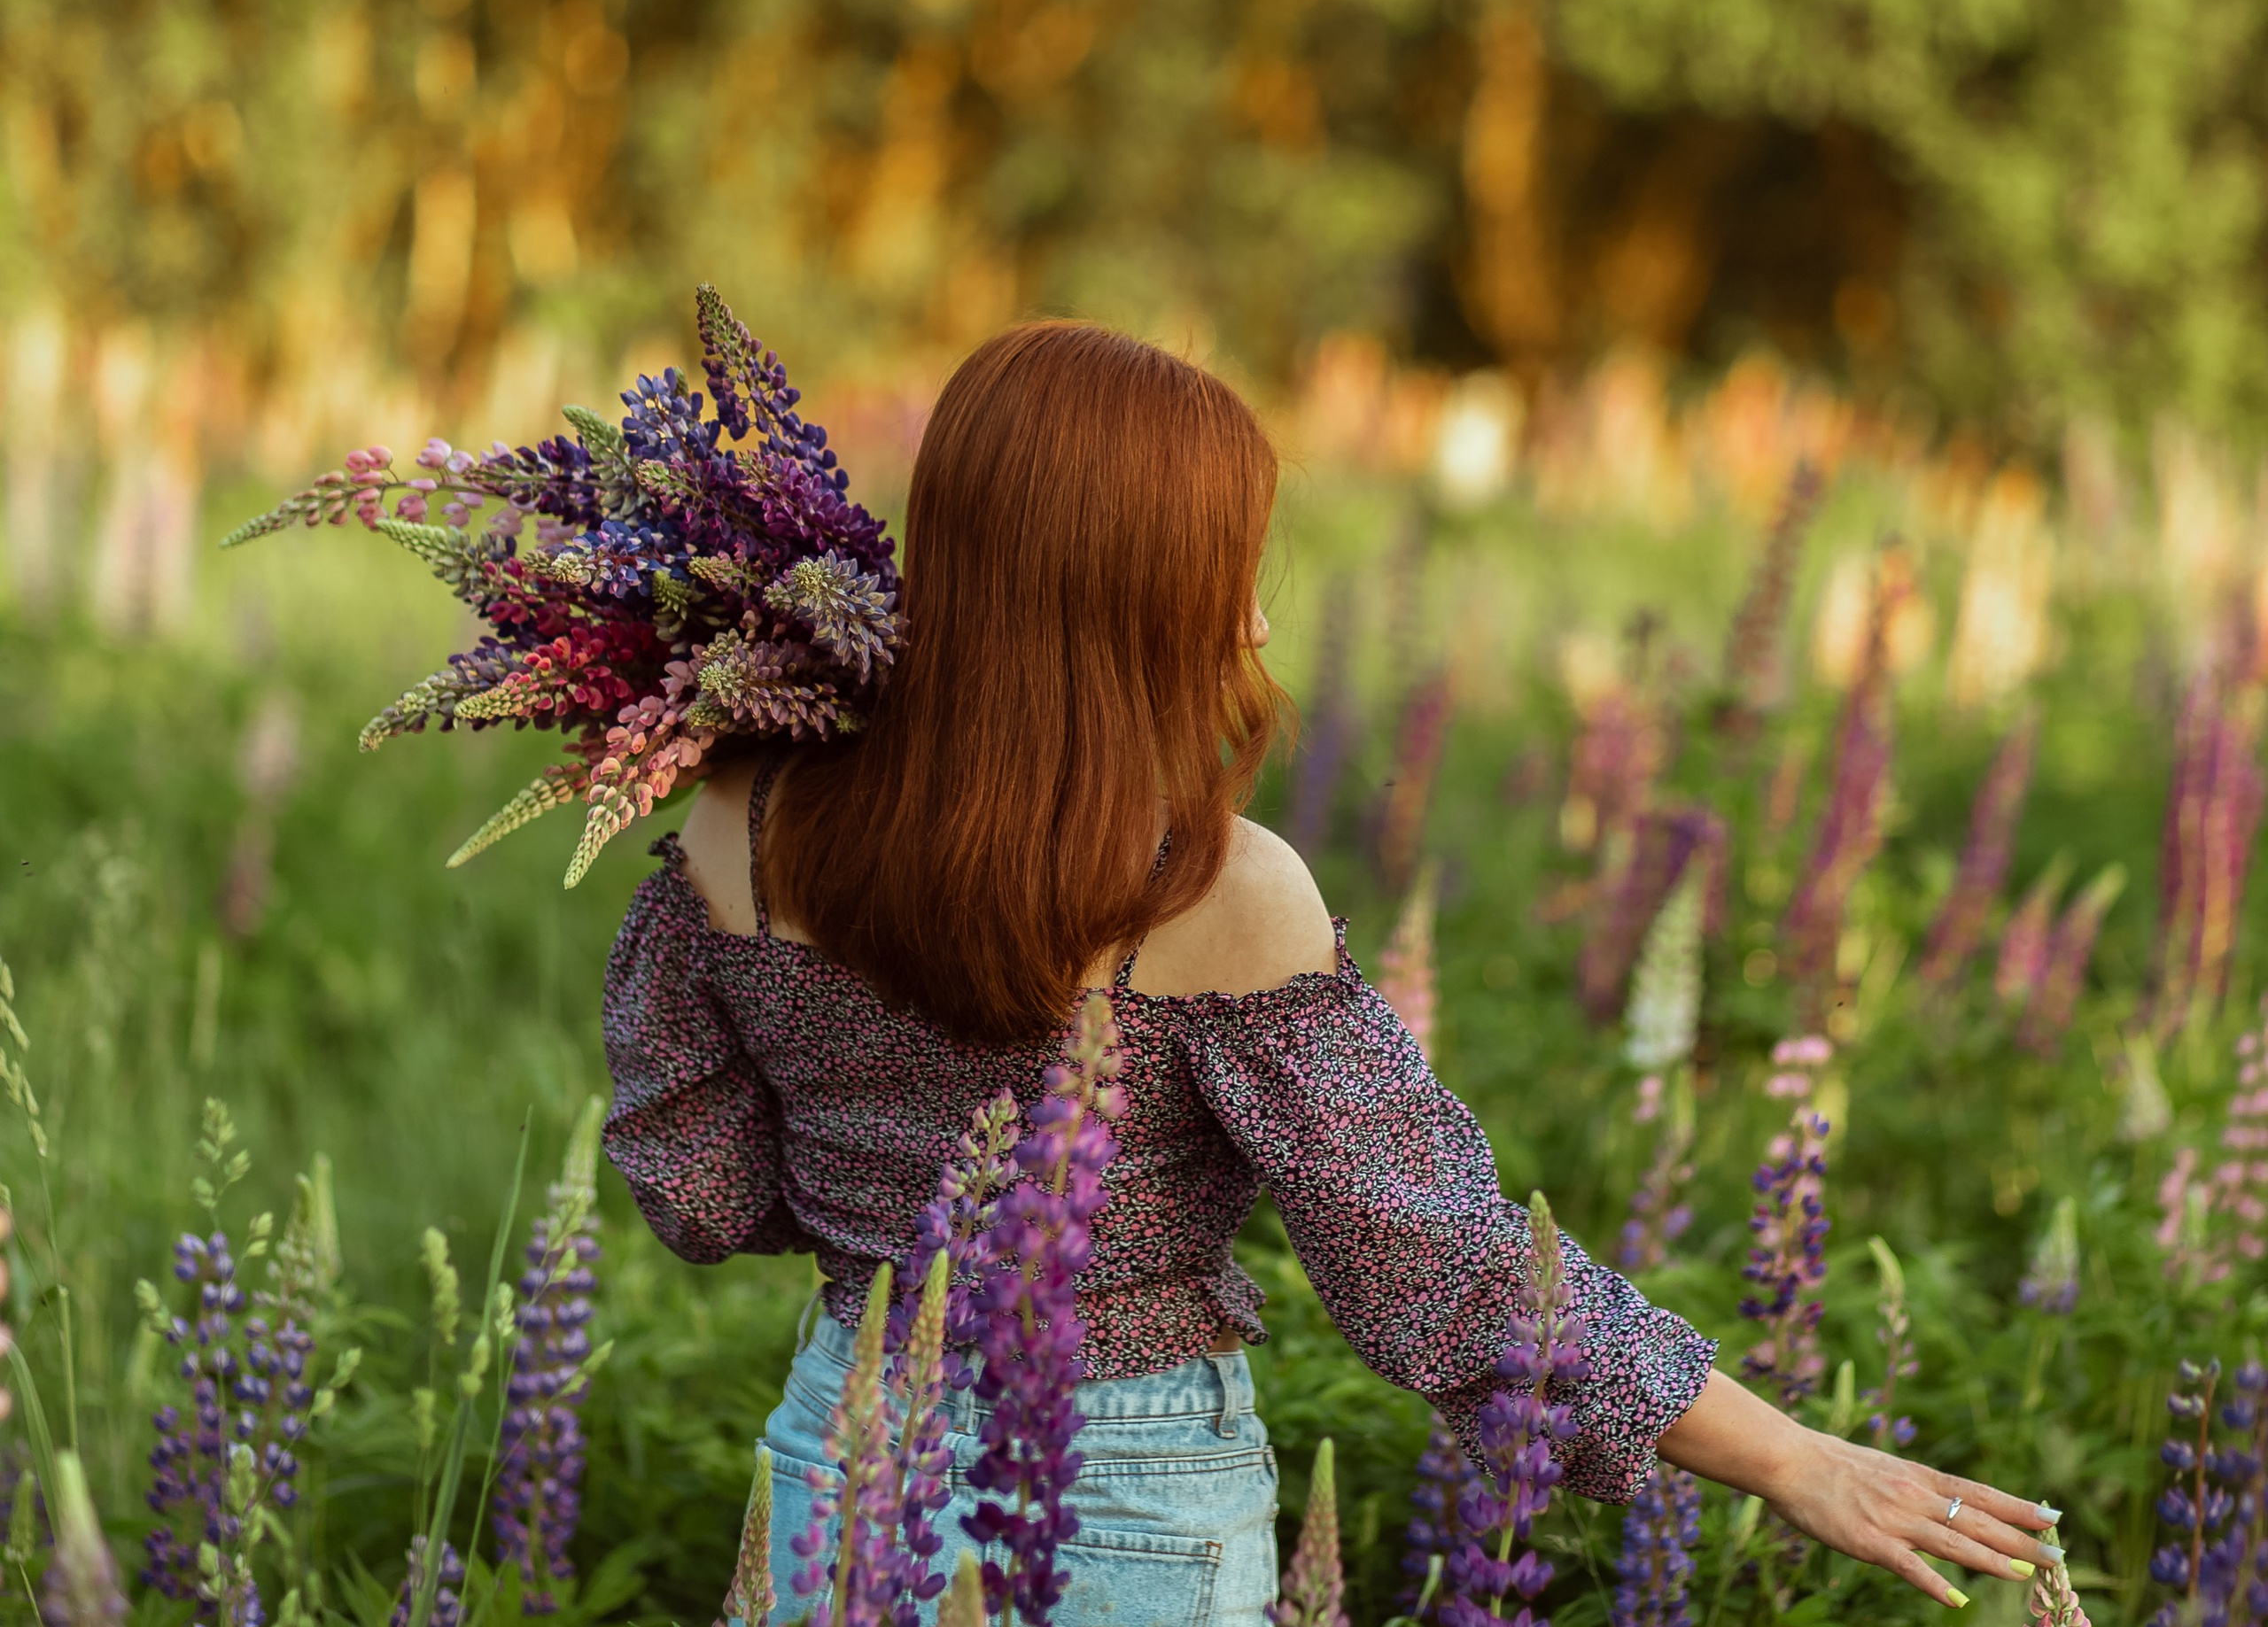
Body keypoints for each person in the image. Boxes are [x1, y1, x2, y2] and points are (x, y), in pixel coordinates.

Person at [601, 322, 2056, 1623]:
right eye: (1221, 576)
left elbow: (702, 1196)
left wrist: (881, 1194)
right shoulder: (1216, 891)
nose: (1255, 623)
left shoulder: (743, 820)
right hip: (1121, 1494)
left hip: (844, 1457)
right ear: (1120, 597)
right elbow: (1441, 1265)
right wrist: (1790, 1456)